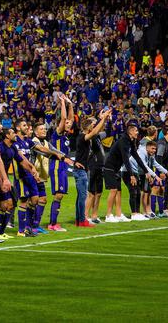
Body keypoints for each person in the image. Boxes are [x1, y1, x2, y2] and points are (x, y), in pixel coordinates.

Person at [103, 120, 149, 222]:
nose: (138, 132)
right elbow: (125, 159)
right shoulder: (123, 141)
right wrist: (131, 175)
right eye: (136, 131)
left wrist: (146, 171)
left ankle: (119, 215)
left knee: (119, 192)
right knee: (114, 190)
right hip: (109, 168)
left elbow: (136, 156)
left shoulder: (130, 141)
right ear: (130, 132)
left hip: (116, 169)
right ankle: (108, 215)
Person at [76, 108, 111, 226]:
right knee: (90, 193)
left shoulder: (96, 136)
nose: (95, 126)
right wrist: (103, 118)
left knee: (99, 193)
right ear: (89, 127)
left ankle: (94, 215)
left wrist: (104, 119)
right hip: (91, 166)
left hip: (100, 166)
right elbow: (96, 130)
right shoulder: (84, 137)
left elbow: (105, 131)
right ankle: (85, 216)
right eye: (93, 124)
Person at [47, 94, 74, 232]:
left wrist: (71, 104)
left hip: (62, 167)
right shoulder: (57, 133)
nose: (69, 123)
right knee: (58, 195)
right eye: (67, 124)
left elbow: (70, 118)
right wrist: (63, 103)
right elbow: (64, 118)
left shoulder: (65, 136)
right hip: (57, 166)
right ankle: (52, 224)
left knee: (60, 195)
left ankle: (53, 223)